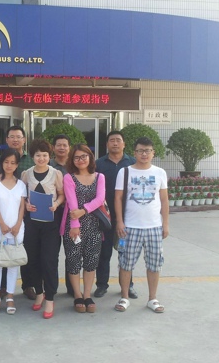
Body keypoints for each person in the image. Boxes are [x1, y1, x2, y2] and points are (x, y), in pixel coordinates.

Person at [114, 137, 169, 314]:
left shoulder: (160, 172)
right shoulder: (125, 172)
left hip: (154, 227)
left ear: (153, 153)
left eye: (147, 151)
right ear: (134, 153)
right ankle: (124, 297)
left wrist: (165, 223)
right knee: (126, 263)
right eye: (140, 151)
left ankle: (152, 298)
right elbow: (118, 198)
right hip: (130, 227)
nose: (144, 154)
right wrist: (120, 222)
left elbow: (164, 199)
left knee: (154, 264)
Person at [0, 126, 36, 300]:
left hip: (26, 213)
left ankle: (27, 285)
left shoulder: (31, 160)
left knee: (21, 251)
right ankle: (2, 287)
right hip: (2, 214)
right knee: (1, 252)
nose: (15, 140)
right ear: (7, 140)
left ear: (24, 139)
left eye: (19, 136)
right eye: (12, 137)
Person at [21, 139, 64, 319]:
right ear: (33, 156)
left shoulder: (56, 173)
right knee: (33, 259)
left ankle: (50, 298)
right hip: (32, 223)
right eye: (38, 155)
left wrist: (56, 204)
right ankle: (39, 292)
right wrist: (26, 204)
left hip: (51, 223)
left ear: (49, 156)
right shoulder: (26, 174)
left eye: (45, 155)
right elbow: (22, 195)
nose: (41, 158)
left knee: (49, 260)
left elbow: (62, 195)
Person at [61, 144, 106, 314]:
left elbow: (100, 199)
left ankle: (87, 294)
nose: (80, 160)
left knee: (91, 262)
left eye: (84, 156)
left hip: (94, 226)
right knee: (73, 261)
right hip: (73, 226)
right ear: (72, 160)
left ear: (90, 157)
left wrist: (84, 210)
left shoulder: (99, 177)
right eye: (76, 157)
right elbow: (72, 202)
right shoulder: (69, 178)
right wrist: (75, 224)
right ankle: (77, 295)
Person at [94, 131, 138, 299]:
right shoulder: (99, 164)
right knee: (103, 253)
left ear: (124, 144)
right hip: (104, 217)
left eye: (118, 140)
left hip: (126, 217)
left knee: (125, 253)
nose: (115, 143)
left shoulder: (132, 163)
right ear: (107, 144)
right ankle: (101, 285)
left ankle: (128, 286)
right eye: (111, 140)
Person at [0, 149, 26, 315]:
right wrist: (2, 224)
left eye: (13, 163)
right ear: (1, 163)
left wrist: (17, 224)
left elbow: (22, 206)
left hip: (17, 230)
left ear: (17, 165)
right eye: (6, 162)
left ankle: (10, 296)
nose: (9, 165)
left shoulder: (21, 184)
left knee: (13, 263)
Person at [50, 134, 73, 296]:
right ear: (53, 148)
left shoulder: (75, 165)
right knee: (52, 253)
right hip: (53, 212)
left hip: (72, 214)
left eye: (65, 145)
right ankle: (51, 288)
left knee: (72, 252)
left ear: (69, 147)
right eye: (58, 145)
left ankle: (72, 288)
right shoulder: (48, 165)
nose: (62, 148)